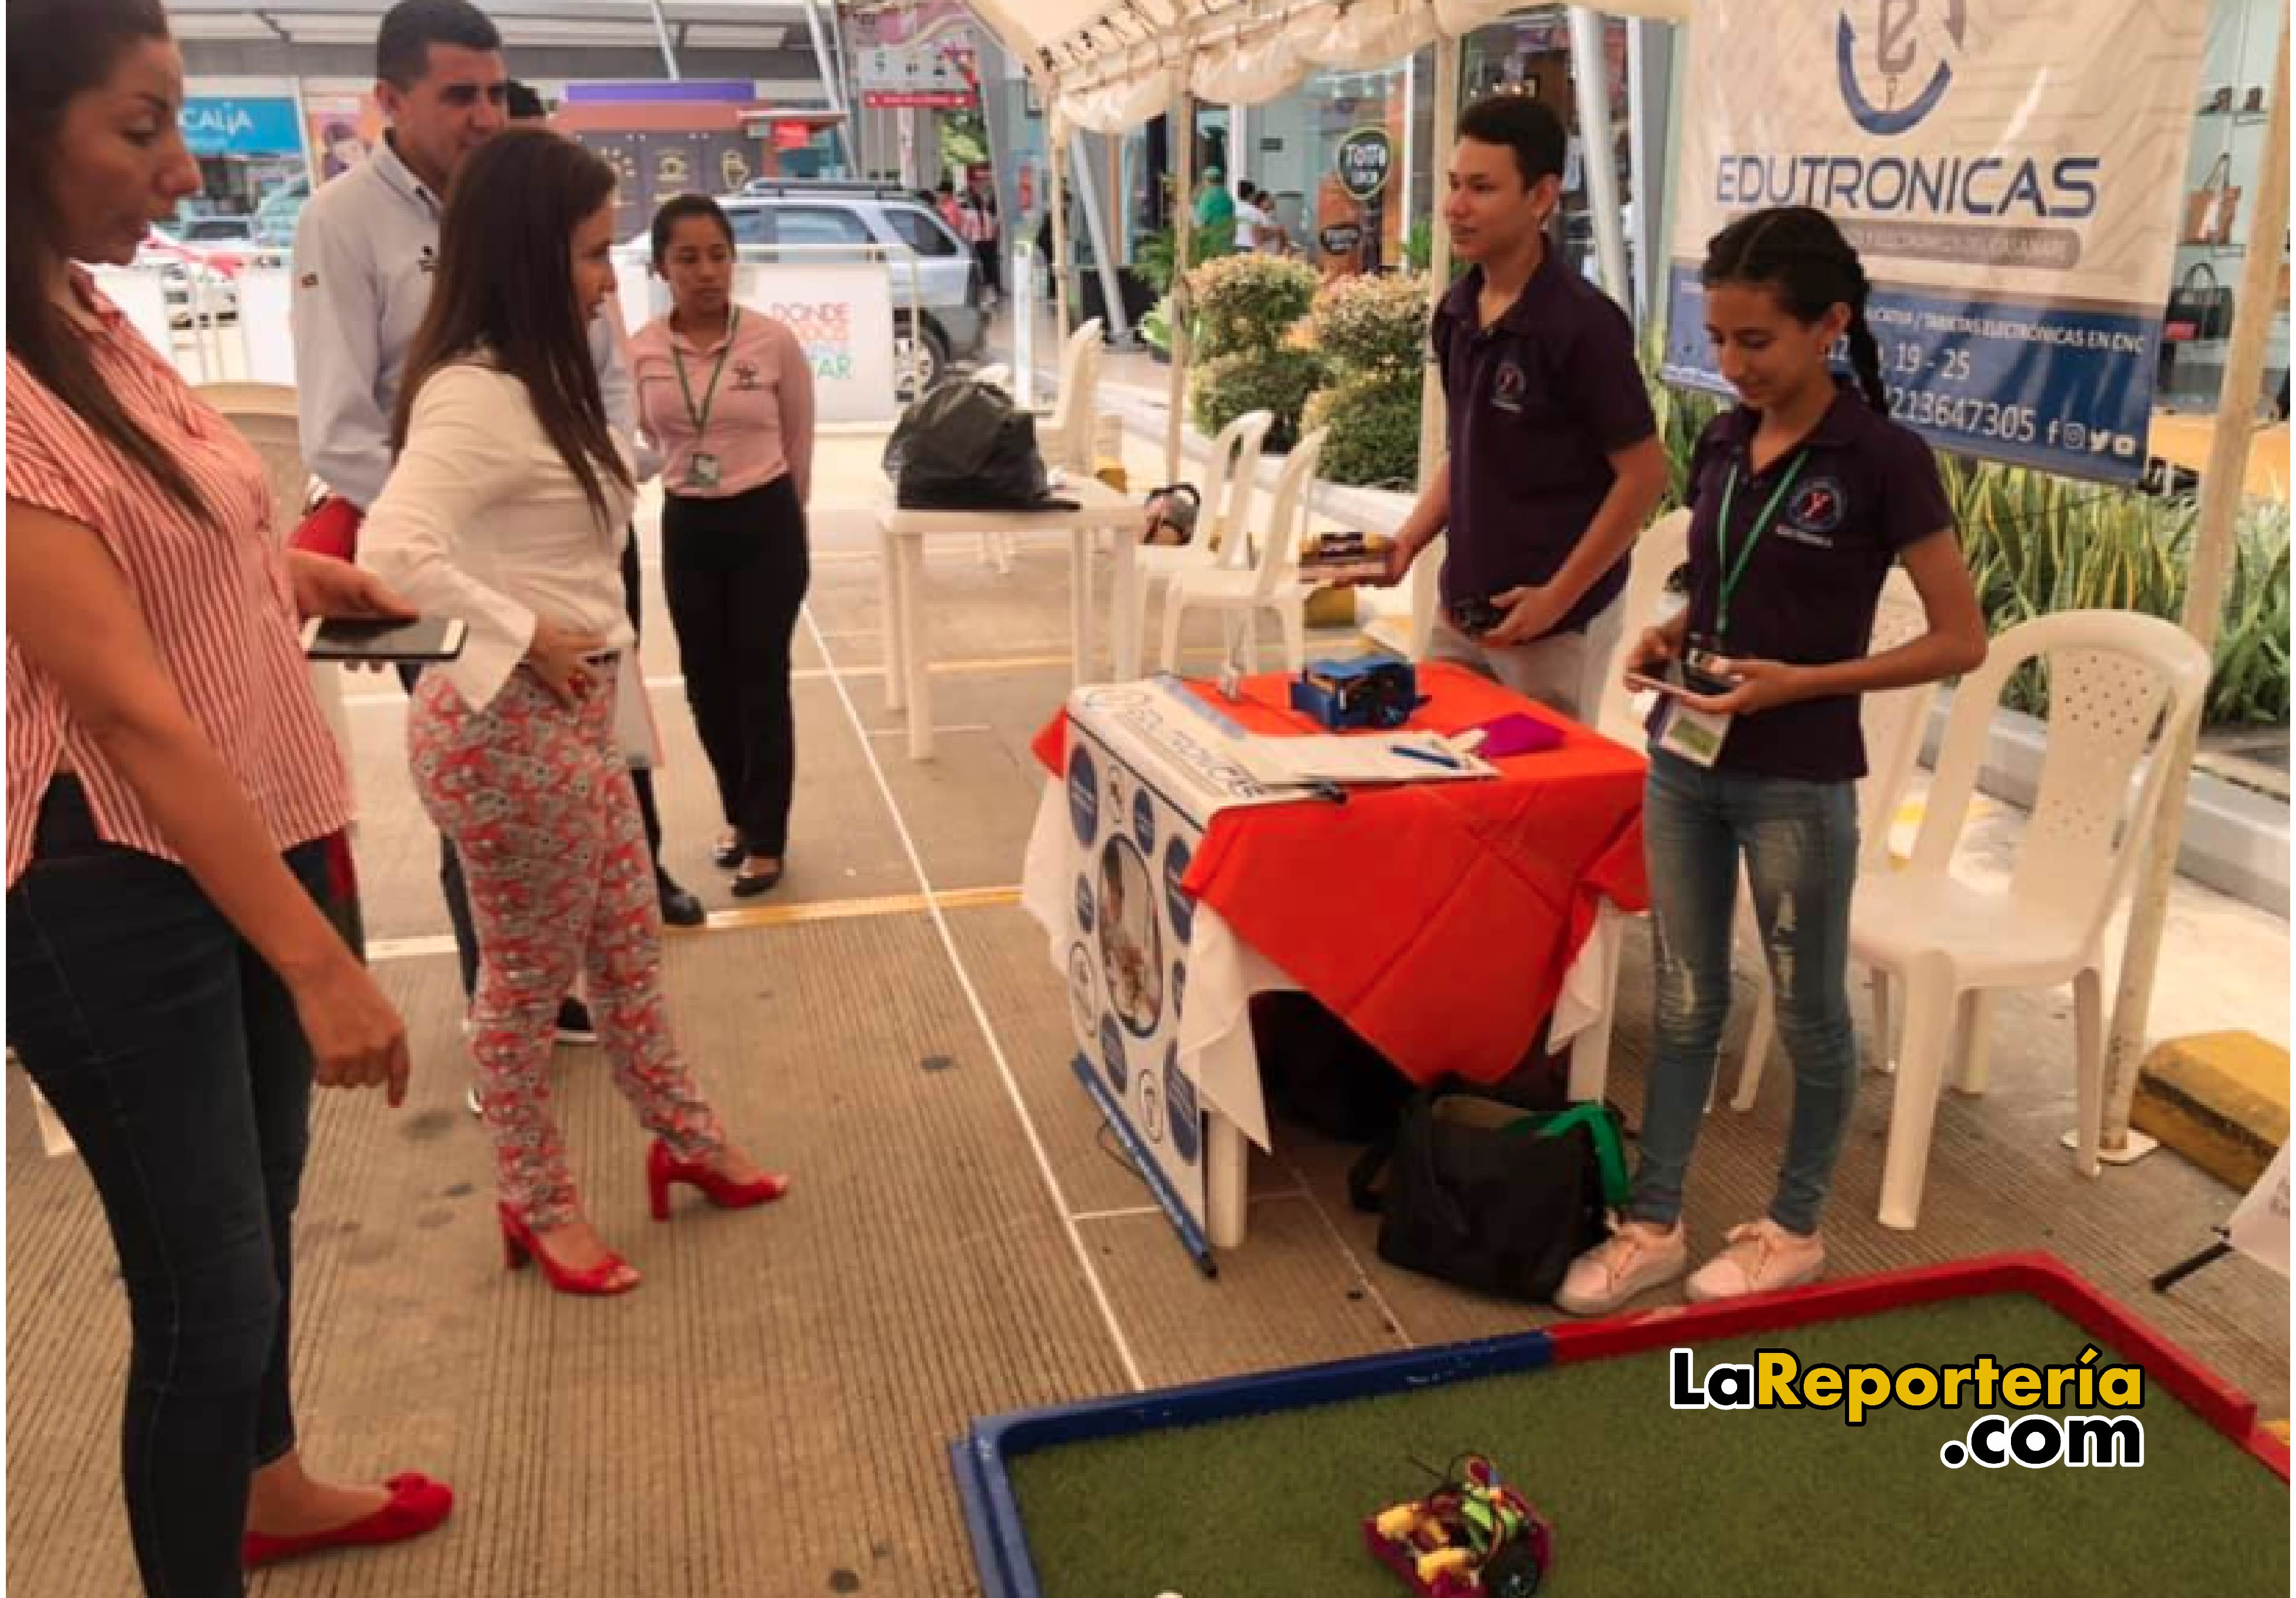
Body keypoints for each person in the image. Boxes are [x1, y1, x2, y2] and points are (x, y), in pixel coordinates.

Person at [6, 3, 452, 1589]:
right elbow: (126, 708)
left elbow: (162, 540)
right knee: (202, 1294)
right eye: (138, 129)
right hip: (113, 882)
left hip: (250, 829)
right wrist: (321, 962)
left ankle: (267, 1489)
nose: (180, 167)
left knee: (256, 1226)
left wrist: (296, 575)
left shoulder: (85, 316)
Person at [359, 127, 790, 1298]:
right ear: (526, 254)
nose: (613, 277)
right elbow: (390, 546)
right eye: (596, 253)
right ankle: (533, 1199)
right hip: (507, 730)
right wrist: (517, 631)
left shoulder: (534, 378)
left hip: (574, 715)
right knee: (522, 984)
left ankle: (683, 1139)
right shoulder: (475, 393)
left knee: (626, 951)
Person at [1555, 207, 1987, 1316]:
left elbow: (1957, 638)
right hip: (1683, 753)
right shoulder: (1716, 438)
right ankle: (1653, 1221)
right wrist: (1670, 627)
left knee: (1805, 1013)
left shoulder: (1882, 460)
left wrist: (1801, 681)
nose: (1732, 364)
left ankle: (1792, 1228)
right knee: (1688, 998)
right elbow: (1716, 574)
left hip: (1794, 775)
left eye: (1757, 342)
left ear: (1828, 325)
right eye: (1717, 339)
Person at [290, 0, 703, 1053]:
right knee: (484, 786)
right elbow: (340, 431)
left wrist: (583, 485)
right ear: (389, 102)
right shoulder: (343, 225)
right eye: (456, 95)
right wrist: (469, 526)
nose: (483, 115)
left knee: (605, 755)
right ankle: (510, 1005)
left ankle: (615, 933)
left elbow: (606, 383)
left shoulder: (539, 199)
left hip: (573, 532)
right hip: (439, 564)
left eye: (493, 90)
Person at [1373, 94, 1666, 723]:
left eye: (1481, 188)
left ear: (1540, 197)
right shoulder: (1455, 311)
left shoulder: (1583, 325)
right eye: (1454, 184)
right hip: (1461, 611)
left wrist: (1558, 598)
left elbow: (1644, 476)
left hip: (1553, 626)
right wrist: (1406, 546)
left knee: (1540, 805)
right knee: (1438, 777)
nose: (1455, 207)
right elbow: (1468, 452)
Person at [632, 196, 816, 896]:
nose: (706, 271)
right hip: (689, 524)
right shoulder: (643, 350)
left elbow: (798, 438)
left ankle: (767, 836)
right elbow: (642, 439)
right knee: (706, 685)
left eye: (717, 255)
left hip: (765, 520)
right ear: (661, 267)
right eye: (688, 258)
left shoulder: (771, 343)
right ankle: (737, 814)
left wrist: (792, 523)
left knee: (760, 678)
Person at [1233, 180, 1271, 253]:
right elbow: (1263, 232)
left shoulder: (1233, 210)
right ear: (1252, 195)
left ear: (1238, 193)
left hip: (1235, 247)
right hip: (1251, 248)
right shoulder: (1256, 212)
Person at [1193, 166, 1234, 230]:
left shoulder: (1206, 196)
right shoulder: (1227, 196)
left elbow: (1199, 221)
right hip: (1225, 235)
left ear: (1207, 180)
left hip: (1211, 236)